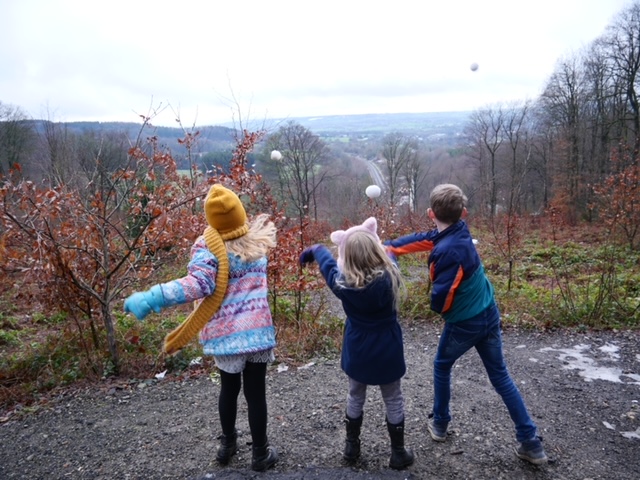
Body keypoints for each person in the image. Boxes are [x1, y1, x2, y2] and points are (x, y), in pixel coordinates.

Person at [384, 184, 548, 466]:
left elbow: (443, 297)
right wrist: (392, 247)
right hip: (488, 313)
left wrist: (434, 307)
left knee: (441, 365)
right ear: (464, 213)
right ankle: (530, 443)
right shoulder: (458, 232)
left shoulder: (448, 251)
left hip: (465, 323)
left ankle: (440, 424)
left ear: (430, 212)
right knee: (500, 377)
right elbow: (429, 238)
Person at [124, 184, 279, 472]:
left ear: (212, 222)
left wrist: (152, 297)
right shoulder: (258, 244)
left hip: (227, 338)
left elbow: (197, 285)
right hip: (258, 334)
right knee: (256, 394)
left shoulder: (208, 249)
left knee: (228, 390)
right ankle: (260, 454)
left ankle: (227, 446)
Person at [299, 217, 414, 470]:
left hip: (358, 349)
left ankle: (351, 448)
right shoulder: (391, 275)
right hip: (388, 349)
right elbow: (388, 254)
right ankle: (398, 453)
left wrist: (316, 250)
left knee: (355, 395)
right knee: (393, 397)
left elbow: (329, 264)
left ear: (346, 259)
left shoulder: (342, 285)